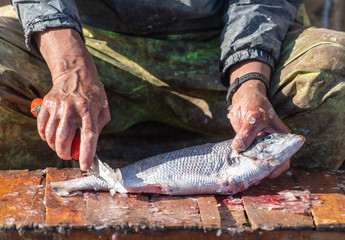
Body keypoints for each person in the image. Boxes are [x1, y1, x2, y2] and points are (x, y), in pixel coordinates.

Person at [0, 1, 344, 175]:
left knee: (334, 73)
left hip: (217, 48)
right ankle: (71, 170)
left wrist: (250, 81)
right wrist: (70, 66)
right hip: (84, 43)